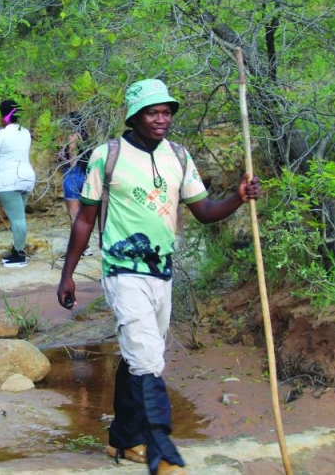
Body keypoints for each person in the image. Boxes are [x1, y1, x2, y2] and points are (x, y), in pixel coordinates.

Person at [56, 79, 260, 475]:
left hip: (161, 272)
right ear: (134, 117)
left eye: (166, 111)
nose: (161, 119)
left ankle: (124, 439)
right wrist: (68, 275)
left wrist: (239, 197)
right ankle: (160, 452)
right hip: (122, 271)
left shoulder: (179, 157)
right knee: (148, 357)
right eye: (153, 112)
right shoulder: (107, 156)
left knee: (139, 357)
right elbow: (84, 219)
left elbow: (204, 212)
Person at [0, 99, 36, 268]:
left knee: (17, 219)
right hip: (27, 178)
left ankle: (20, 256)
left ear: (3, 116)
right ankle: (17, 251)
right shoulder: (26, 132)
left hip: (9, 180)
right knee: (19, 217)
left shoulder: (2, 134)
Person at [57, 111, 93, 257]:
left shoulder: (72, 137)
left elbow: (72, 160)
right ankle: (85, 246)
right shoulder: (87, 138)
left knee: (74, 216)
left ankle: (78, 249)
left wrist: (63, 157)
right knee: (82, 215)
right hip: (84, 176)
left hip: (72, 176)